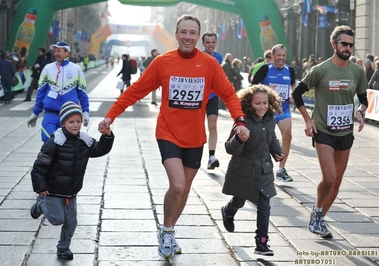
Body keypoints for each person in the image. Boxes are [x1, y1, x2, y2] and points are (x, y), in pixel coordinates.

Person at [98, 14, 249, 259]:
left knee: (184, 189)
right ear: (176, 34)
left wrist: (239, 120)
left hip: (195, 137)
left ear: (198, 37)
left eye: (192, 33)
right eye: (183, 32)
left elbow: (229, 94)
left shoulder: (209, 64)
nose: (187, 37)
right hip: (167, 133)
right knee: (177, 184)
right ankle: (167, 231)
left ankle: (168, 228)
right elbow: (136, 91)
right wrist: (110, 116)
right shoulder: (163, 62)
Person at [292, 25, 368, 239]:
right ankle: (318, 208)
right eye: (344, 44)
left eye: (351, 45)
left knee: (337, 181)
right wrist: (308, 120)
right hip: (323, 129)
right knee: (329, 177)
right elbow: (297, 93)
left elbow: (363, 99)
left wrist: (361, 111)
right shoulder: (321, 69)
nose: (348, 48)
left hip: (345, 131)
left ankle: (319, 216)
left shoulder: (357, 71)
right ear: (333, 44)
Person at [30, 101, 114, 260]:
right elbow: (39, 166)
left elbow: (100, 149)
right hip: (53, 190)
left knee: (71, 222)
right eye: (71, 122)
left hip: (71, 191)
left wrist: (107, 135)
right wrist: (40, 187)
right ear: (63, 123)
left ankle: (63, 248)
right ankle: (41, 204)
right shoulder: (55, 141)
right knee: (57, 219)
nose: (75, 125)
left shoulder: (84, 140)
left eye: (78, 121)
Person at [221, 85, 283, 256]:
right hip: (244, 171)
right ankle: (228, 211)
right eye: (258, 103)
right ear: (249, 103)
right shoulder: (243, 120)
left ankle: (261, 243)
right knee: (239, 201)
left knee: (264, 205)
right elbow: (229, 148)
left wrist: (277, 151)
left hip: (264, 171)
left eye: (265, 103)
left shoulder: (270, 118)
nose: (262, 107)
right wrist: (239, 140)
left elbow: (271, 137)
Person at [27, 41, 90, 142]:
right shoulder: (47, 68)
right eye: (55, 51)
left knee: (66, 146)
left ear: (67, 53)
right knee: (48, 142)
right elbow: (41, 93)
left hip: (69, 116)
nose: (56, 53)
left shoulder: (76, 69)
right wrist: (35, 113)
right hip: (50, 114)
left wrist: (85, 112)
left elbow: (82, 93)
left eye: (58, 51)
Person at [252, 44, 296, 182]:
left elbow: (294, 85)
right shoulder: (265, 68)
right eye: (279, 55)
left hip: (283, 110)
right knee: (264, 140)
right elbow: (252, 87)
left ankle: (281, 170)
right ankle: (259, 168)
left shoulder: (290, 70)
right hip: (266, 112)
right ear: (272, 56)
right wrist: (265, 89)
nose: (281, 58)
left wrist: (294, 95)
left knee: (288, 136)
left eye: (283, 55)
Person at [201, 31, 223, 170]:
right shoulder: (198, 56)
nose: (210, 45)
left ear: (216, 43)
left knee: (213, 125)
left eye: (213, 42)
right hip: (199, 96)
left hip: (213, 96)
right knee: (196, 127)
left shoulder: (219, 58)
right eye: (208, 42)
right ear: (203, 43)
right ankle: (192, 154)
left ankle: (211, 157)